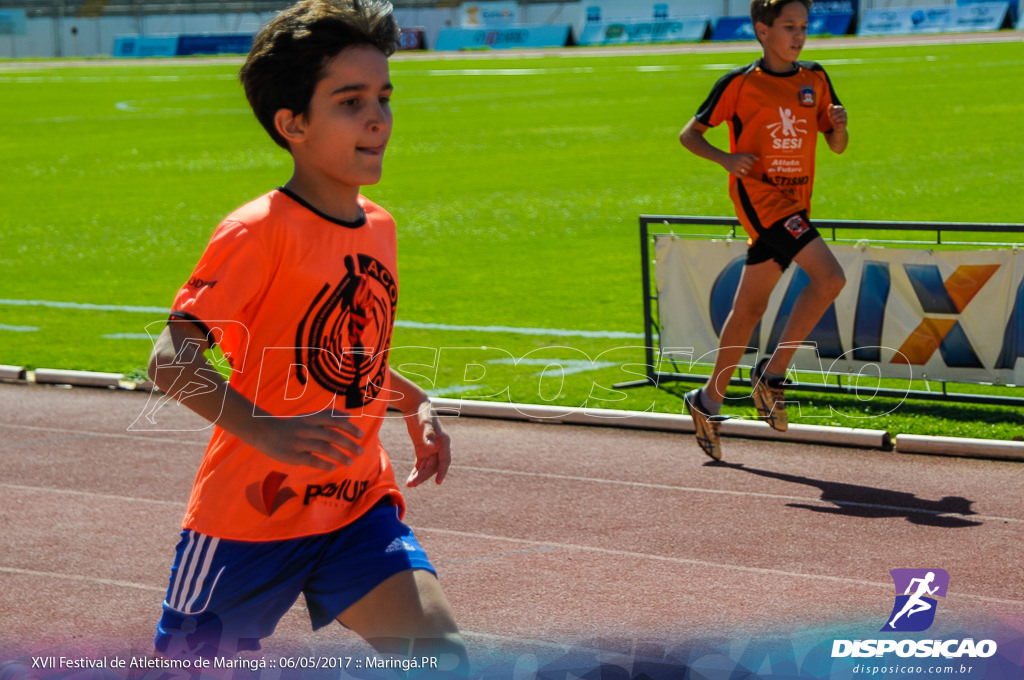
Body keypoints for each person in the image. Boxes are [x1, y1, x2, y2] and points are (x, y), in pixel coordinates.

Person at [145, 0, 468, 674]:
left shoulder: (379, 225)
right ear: (292, 123)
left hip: (355, 506)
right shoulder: (256, 232)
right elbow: (171, 363)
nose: (378, 117)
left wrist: (414, 402)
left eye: (383, 96)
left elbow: (349, 354)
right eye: (350, 101)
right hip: (249, 521)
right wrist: (268, 431)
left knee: (442, 659)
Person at [678, 0, 849, 460]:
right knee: (831, 277)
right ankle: (771, 376)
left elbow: (835, 146)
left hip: (797, 201)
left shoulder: (815, 78)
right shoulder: (739, 84)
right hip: (761, 199)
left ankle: (707, 400)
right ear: (762, 30)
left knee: (750, 307)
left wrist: (838, 127)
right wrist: (727, 159)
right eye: (789, 27)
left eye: (804, 27)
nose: (799, 36)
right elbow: (689, 135)